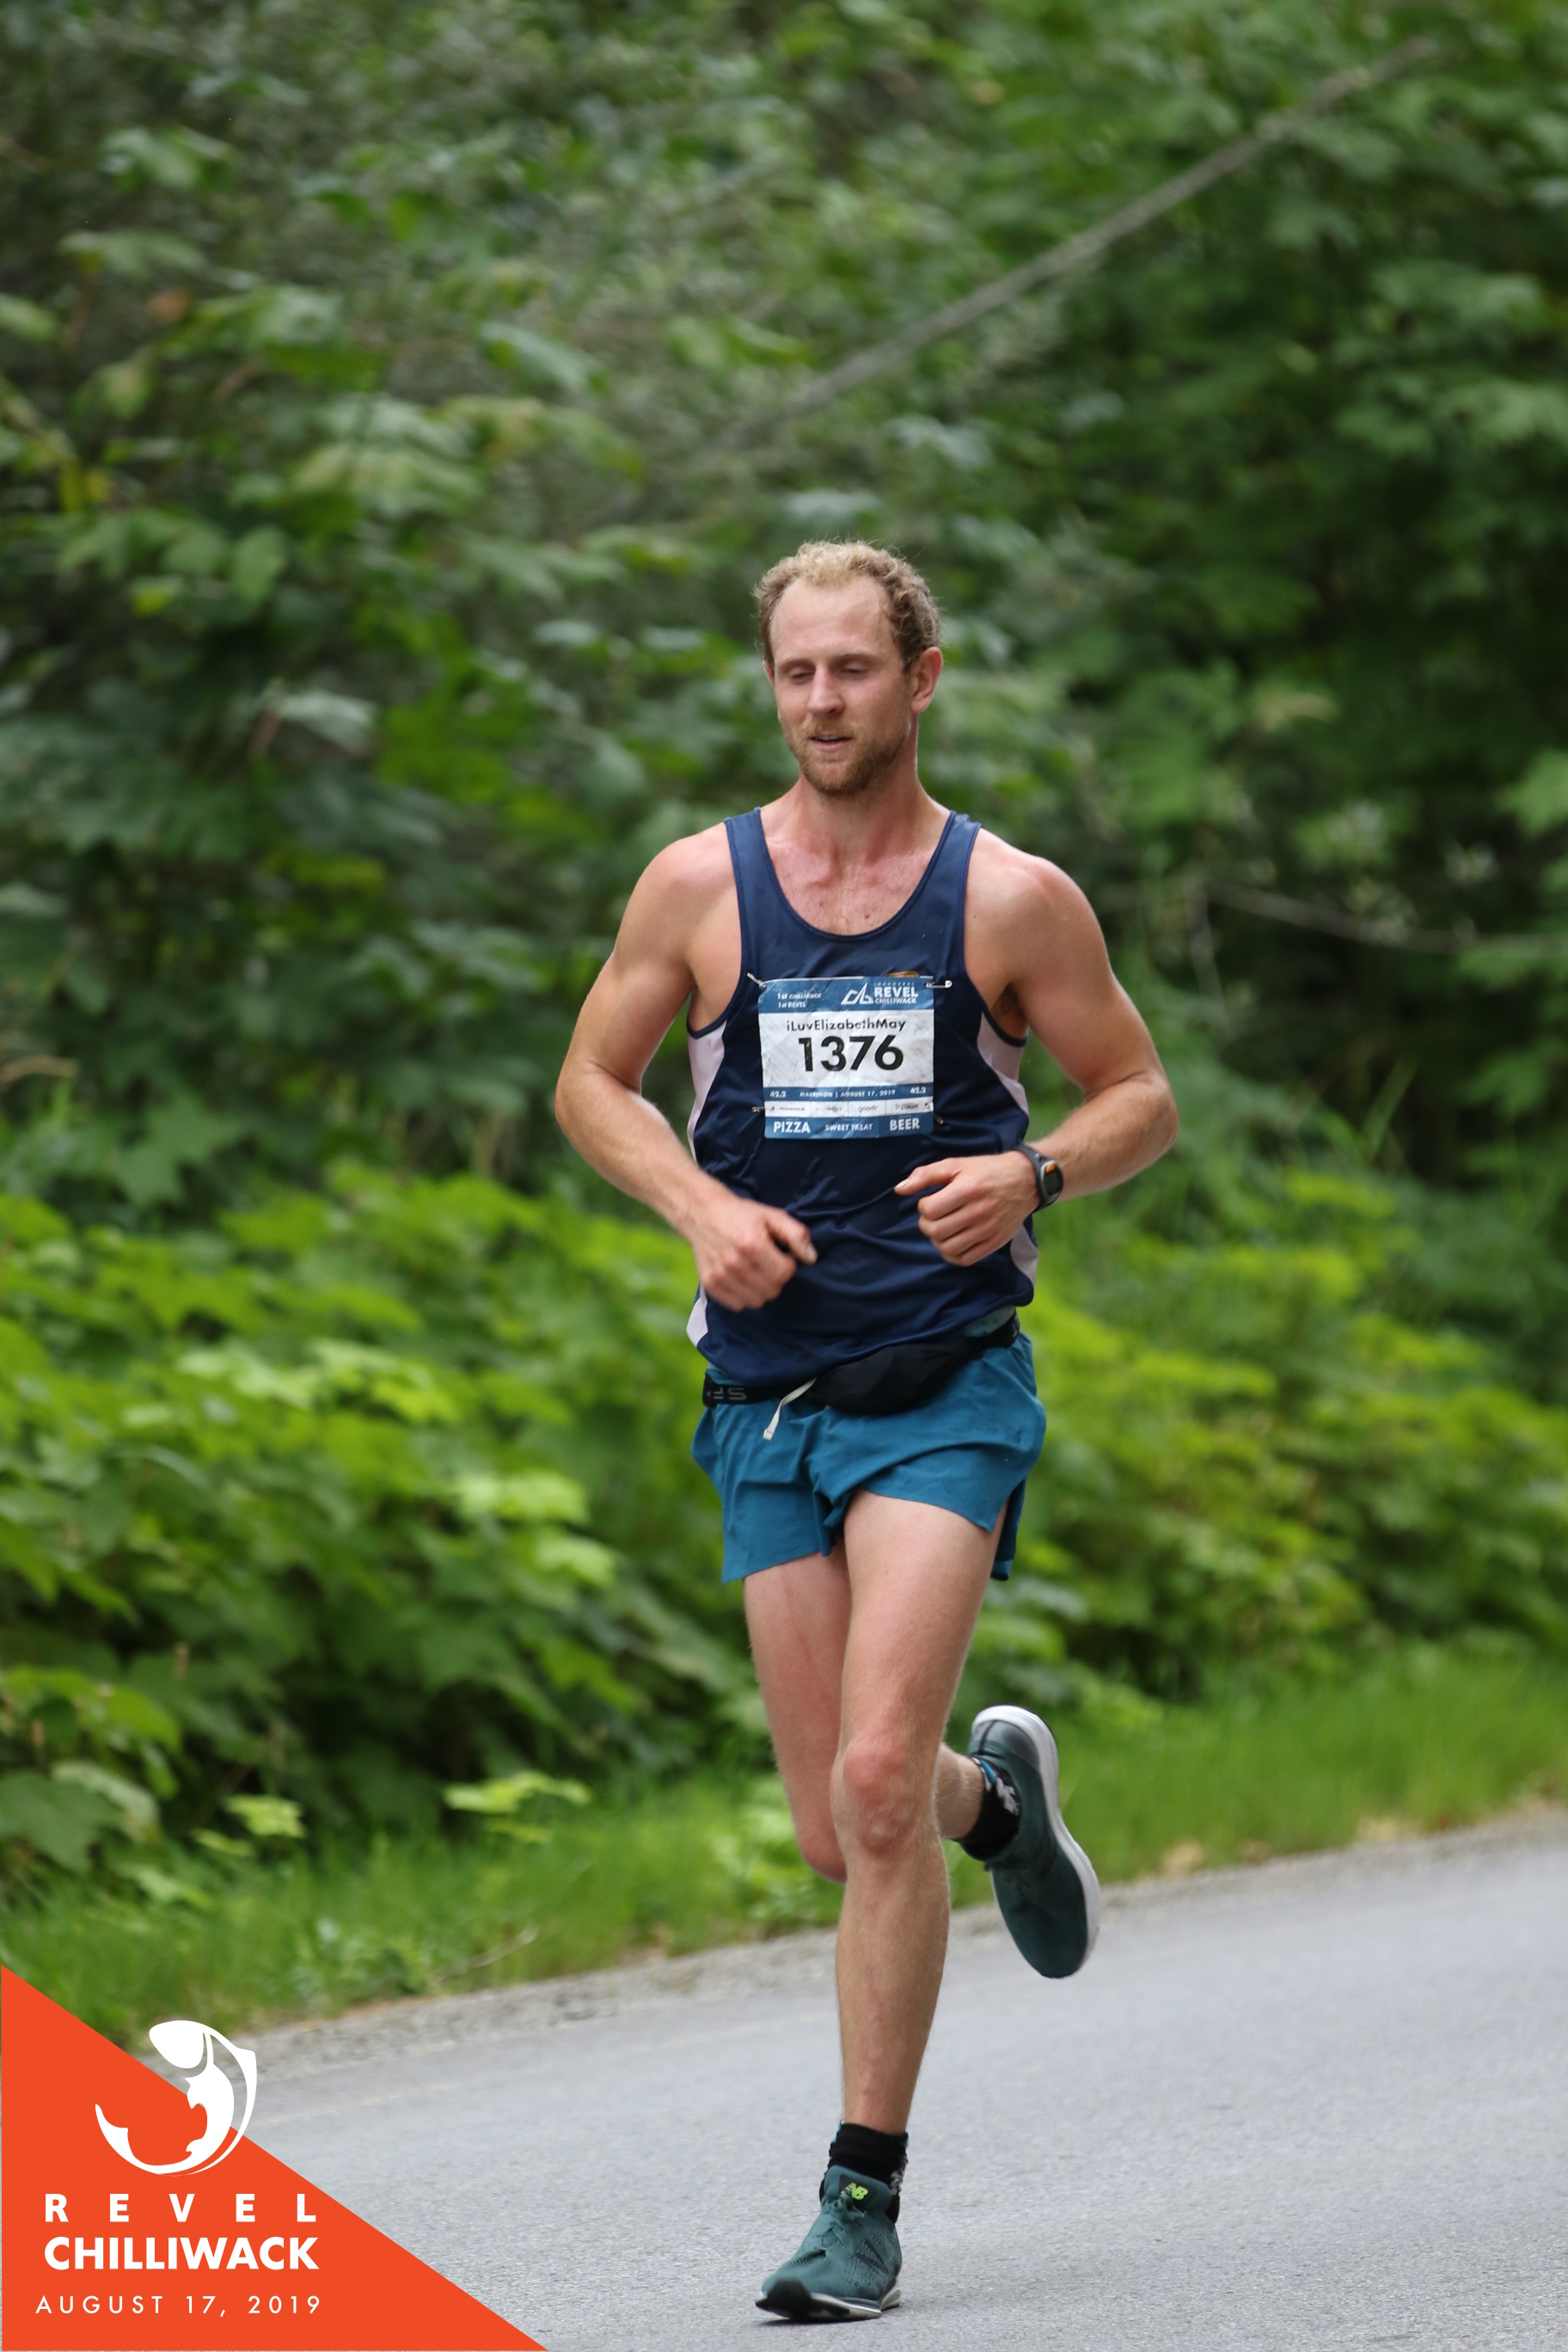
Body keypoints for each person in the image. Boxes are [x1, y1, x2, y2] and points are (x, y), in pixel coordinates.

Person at [554, 540, 1178, 2320]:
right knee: (847, 1829)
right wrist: (696, 1208)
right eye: (795, 672)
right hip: (767, 1401)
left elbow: (1140, 1094)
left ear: (921, 680)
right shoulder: (700, 887)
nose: (822, 701)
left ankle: (859, 2202)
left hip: (944, 1388)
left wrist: (1033, 1169)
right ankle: (1007, 1812)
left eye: (852, 668)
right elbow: (591, 1083)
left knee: (878, 1778)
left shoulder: (1009, 900)